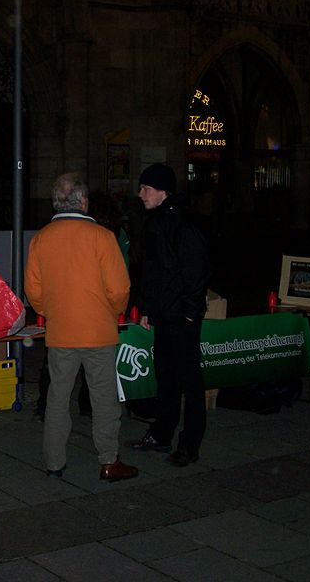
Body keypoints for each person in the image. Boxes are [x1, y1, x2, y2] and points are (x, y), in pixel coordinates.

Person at [25, 172, 137, 482]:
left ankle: (54, 462)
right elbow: (119, 288)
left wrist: (52, 311)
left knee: (58, 399)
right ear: (84, 201)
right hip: (98, 331)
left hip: (61, 331)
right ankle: (108, 461)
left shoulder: (42, 238)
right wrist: (110, 311)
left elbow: (33, 291)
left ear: (56, 202)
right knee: (103, 399)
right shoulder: (103, 237)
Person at [124, 163, 210, 467]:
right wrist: (148, 308)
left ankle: (190, 444)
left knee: (190, 382)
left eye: (146, 188)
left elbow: (195, 271)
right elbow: (153, 272)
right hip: (165, 315)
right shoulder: (157, 221)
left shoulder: (182, 223)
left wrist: (189, 313)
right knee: (167, 380)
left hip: (181, 319)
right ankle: (161, 434)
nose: (141, 193)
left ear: (162, 191)